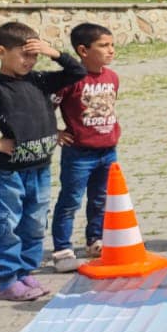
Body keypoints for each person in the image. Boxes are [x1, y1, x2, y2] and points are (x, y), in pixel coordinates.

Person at [0, 22, 85, 301]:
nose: (30, 61)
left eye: (34, 55)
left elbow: (77, 72)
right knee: (5, 223)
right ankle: (7, 280)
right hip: (10, 174)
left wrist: (53, 52)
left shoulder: (39, 80)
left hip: (40, 170)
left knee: (34, 223)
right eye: (24, 54)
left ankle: (25, 272)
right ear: (1, 52)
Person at [50, 22, 120, 273]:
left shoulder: (112, 77)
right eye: (103, 46)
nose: (111, 50)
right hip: (79, 154)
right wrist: (54, 132)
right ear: (83, 50)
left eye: (112, 45)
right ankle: (62, 250)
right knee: (70, 200)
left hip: (108, 150)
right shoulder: (70, 81)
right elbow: (47, 108)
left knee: (101, 199)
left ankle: (95, 240)